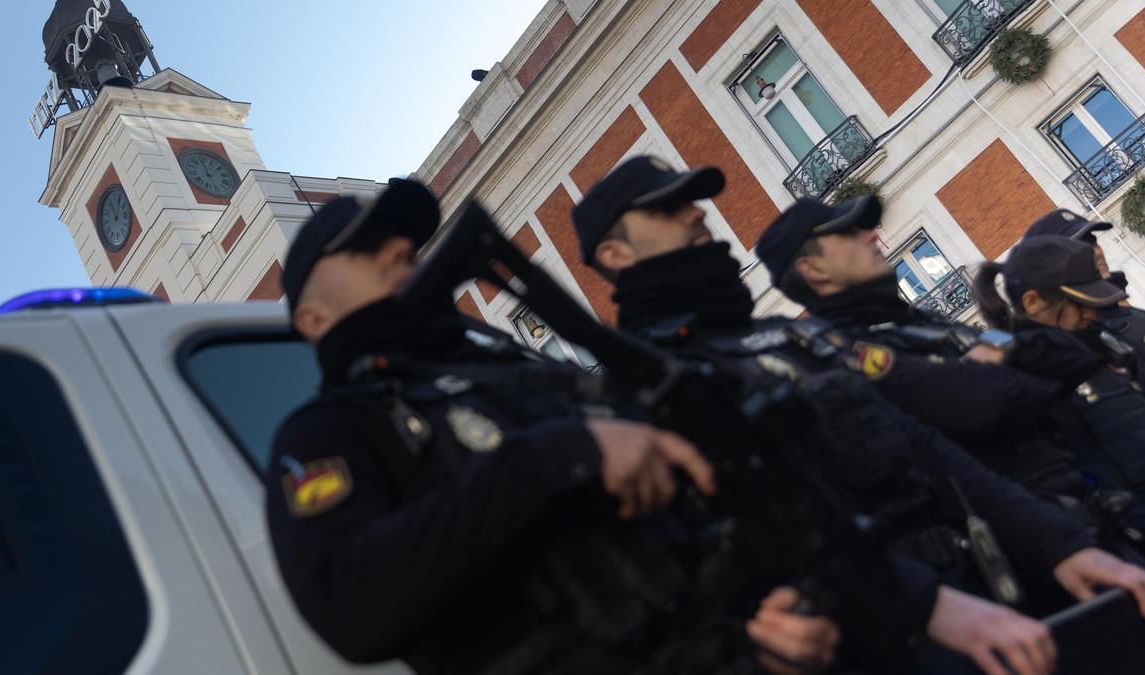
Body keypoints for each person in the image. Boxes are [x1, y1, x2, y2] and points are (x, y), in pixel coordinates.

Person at [570, 156, 1145, 674]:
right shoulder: (635, 401)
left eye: (691, 200)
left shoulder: (783, 338)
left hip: (990, 585)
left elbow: (926, 449)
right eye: (666, 208)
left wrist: (1059, 544)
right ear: (615, 253)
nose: (695, 212)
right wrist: (927, 604)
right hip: (882, 634)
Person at [265, 180, 843, 675]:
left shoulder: (521, 372)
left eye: (405, 241)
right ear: (312, 318)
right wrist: (555, 458)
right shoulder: (329, 431)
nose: (400, 248)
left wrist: (772, 619)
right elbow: (350, 606)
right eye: (365, 248)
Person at [756, 195, 1145, 581]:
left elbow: (1064, 354)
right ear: (813, 269)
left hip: (1096, 515)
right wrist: (1001, 363)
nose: (872, 235)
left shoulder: (918, 323)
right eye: (848, 233)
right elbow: (989, 399)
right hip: (1036, 554)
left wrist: (995, 353)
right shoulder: (850, 351)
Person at [970, 235, 1145, 516]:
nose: (1092, 314)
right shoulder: (1019, 378)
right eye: (1079, 303)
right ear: (1033, 302)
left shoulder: (1097, 350)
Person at [1023, 208, 1145, 417]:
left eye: (1093, 241)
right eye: (1080, 248)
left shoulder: (1134, 314)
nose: (1097, 252)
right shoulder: (1080, 345)